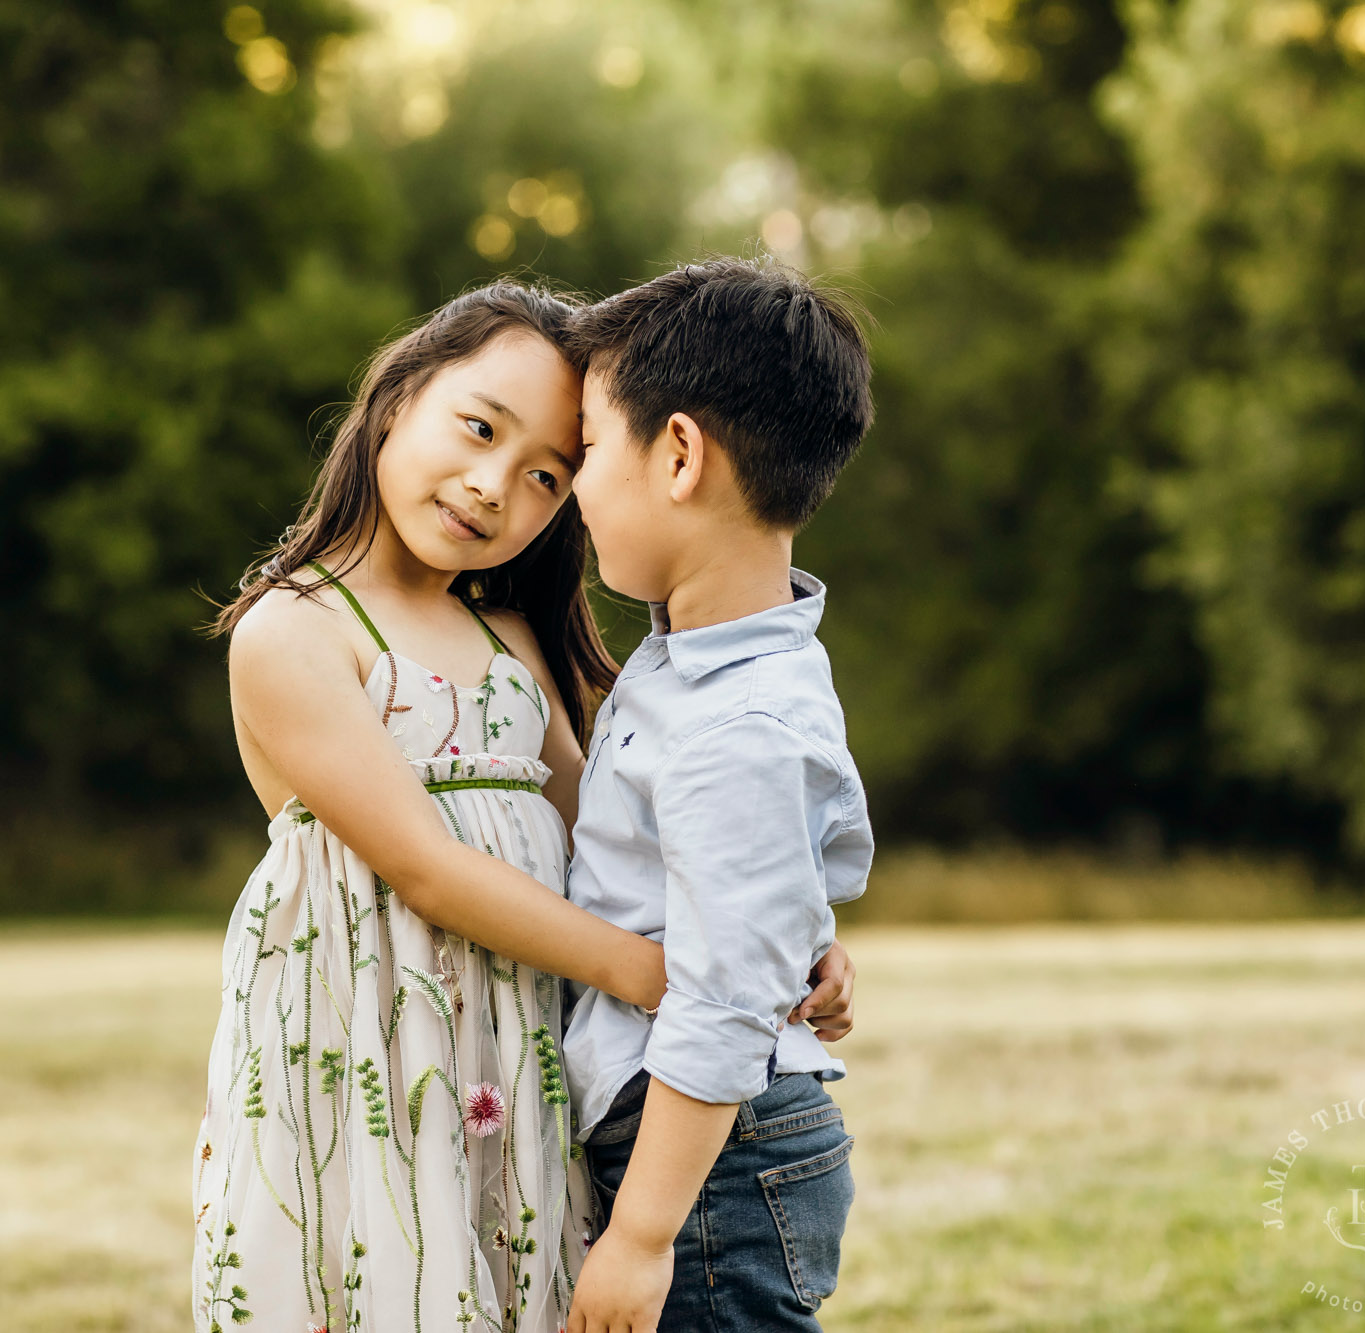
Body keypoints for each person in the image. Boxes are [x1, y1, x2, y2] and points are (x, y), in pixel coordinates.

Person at [191, 280, 854, 1333]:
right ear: (397, 394)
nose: (495, 484)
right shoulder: (298, 628)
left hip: (518, 1061)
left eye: (551, 471)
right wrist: (655, 972)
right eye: (476, 426)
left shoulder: (511, 641)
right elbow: (426, 868)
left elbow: (628, 841)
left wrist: (778, 942)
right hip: (373, 1047)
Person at [562, 258, 877, 1333]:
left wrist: (641, 1236)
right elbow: (749, 879)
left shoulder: (733, 720)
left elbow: (724, 999)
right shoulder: (709, 665)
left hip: (711, 1167)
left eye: (589, 449)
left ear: (680, 453)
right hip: (712, 1149)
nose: (573, 483)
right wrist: (808, 941)